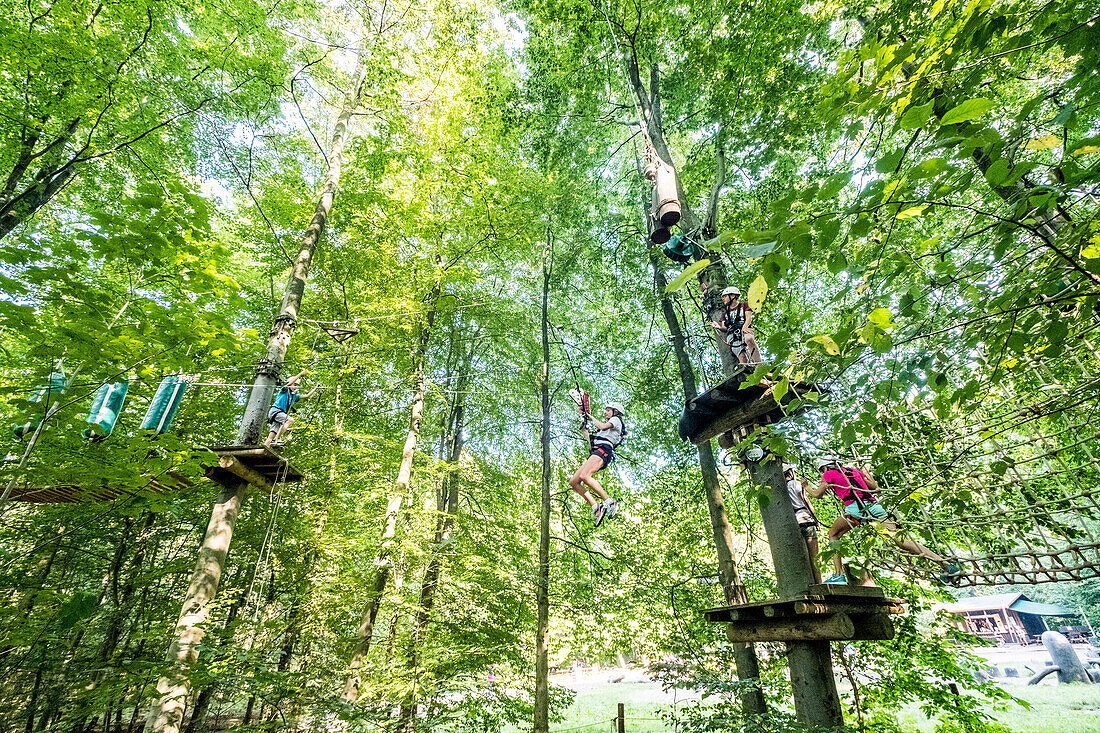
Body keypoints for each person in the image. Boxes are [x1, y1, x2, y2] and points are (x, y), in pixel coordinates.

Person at [807, 456, 960, 585]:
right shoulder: (853, 471)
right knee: (902, 541)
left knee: (833, 534)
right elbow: (875, 488)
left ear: (825, 468)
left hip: (855, 509)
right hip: (874, 506)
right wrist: (866, 475)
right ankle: (945, 564)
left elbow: (818, 494)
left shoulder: (829, 474)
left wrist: (806, 487)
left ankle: (839, 575)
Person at [569, 402, 626, 527]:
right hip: (596, 451)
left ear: (615, 411)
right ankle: (596, 507)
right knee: (574, 482)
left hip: (603, 450)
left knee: (585, 476)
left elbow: (601, 425)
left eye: (608, 410)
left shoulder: (616, 420)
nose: (605, 412)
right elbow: (590, 439)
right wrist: (584, 429)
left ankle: (610, 502)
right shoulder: (603, 430)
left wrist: (590, 416)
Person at [786, 463, 822, 584]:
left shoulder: (781, 488)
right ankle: (819, 583)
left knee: (804, 557)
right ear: (790, 472)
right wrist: (814, 516)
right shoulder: (795, 484)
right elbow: (804, 499)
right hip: (805, 518)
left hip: (794, 521)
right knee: (814, 556)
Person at [264, 370, 319, 447]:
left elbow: (307, 396)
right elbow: (289, 384)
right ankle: (277, 438)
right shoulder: (284, 390)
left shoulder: (294, 396)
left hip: (279, 415)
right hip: (275, 411)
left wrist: (316, 388)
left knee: (271, 435)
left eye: (297, 385)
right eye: (294, 384)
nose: (295, 386)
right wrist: (300, 374)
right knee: (290, 420)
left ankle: (265, 447)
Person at [709, 286, 763, 365]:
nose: (723, 299)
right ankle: (747, 372)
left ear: (732, 296)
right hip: (732, 335)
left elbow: (748, 317)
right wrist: (718, 327)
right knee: (742, 357)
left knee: (749, 339)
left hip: (744, 329)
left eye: (725, 296)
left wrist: (745, 326)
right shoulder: (725, 312)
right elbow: (724, 328)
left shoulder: (744, 306)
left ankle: (759, 364)